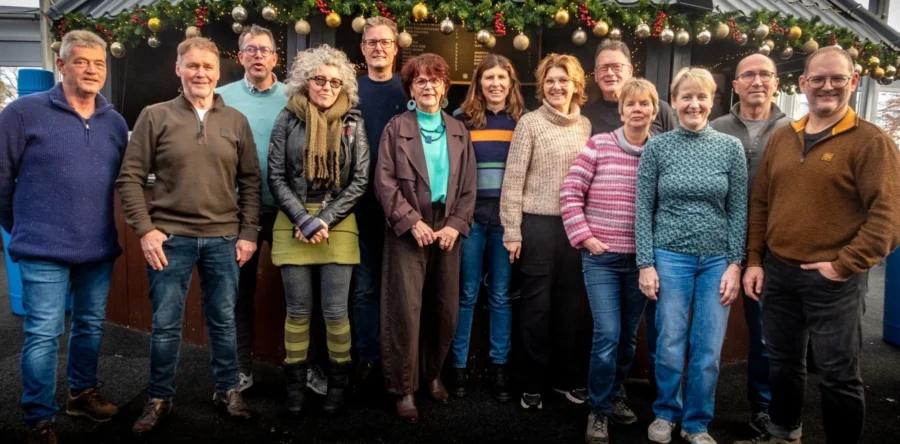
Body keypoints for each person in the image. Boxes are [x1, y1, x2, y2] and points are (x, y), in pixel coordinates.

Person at [736, 47, 900, 444]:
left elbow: (889, 216)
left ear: (854, 82)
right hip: (779, 273)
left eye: (837, 79)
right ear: (803, 84)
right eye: (818, 79)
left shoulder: (870, 142)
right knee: (784, 365)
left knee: (838, 375)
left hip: (835, 281)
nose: (827, 87)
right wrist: (756, 260)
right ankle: (783, 433)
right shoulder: (783, 138)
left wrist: (844, 265)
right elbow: (760, 203)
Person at [117, 37, 261, 434]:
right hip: (170, 239)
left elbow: (250, 181)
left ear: (218, 72)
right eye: (192, 66)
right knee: (165, 325)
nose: (200, 73)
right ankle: (160, 398)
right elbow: (129, 178)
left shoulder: (236, 121)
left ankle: (227, 390)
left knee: (224, 321)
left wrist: (248, 233)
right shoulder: (154, 115)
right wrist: (145, 231)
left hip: (224, 239)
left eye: (208, 67)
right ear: (178, 69)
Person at [0, 30, 127, 444]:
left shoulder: (115, 121)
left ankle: (81, 393)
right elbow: (1, 181)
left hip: (97, 247)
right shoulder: (22, 114)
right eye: (81, 62)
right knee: (43, 333)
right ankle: (38, 419)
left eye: (99, 64)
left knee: (89, 327)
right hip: (42, 247)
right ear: (62, 64)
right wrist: (21, 227)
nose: (91, 70)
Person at [635, 67, 747, 444]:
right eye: (686, 96)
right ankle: (666, 412)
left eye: (701, 96)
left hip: (717, 260)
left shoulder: (730, 148)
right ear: (674, 101)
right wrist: (646, 263)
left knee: (708, 348)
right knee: (669, 343)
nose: (694, 103)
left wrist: (735, 262)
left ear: (712, 100)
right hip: (670, 257)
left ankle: (697, 423)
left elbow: (739, 210)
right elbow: (643, 208)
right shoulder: (657, 147)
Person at [375, 53, 477, 423]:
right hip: (409, 228)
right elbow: (384, 182)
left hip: (447, 226)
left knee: (445, 308)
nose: (428, 85)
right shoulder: (396, 127)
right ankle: (405, 388)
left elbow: (468, 184)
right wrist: (410, 221)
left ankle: (432, 373)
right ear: (411, 89)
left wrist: (455, 224)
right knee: (405, 309)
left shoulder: (457, 129)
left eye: (435, 79)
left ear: (445, 87)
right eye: (420, 80)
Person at [268, 44, 368, 417]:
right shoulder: (286, 118)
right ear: (304, 81)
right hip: (292, 220)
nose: (326, 86)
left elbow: (359, 182)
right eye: (319, 79)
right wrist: (303, 219)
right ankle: (294, 389)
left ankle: (337, 388)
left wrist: (323, 220)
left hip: (337, 222)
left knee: (335, 311)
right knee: (297, 310)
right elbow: (275, 177)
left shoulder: (353, 123)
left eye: (333, 81)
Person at [561, 78, 658, 443]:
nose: (637, 109)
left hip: (642, 262)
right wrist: (584, 235)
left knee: (629, 338)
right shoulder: (598, 146)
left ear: (653, 109)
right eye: (630, 104)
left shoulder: (660, 151)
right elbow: (570, 192)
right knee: (607, 335)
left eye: (644, 104)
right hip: (601, 259)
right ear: (621, 110)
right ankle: (598, 410)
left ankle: (618, 393)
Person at [582, 39, 678, 387]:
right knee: (606, 332)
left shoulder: (663, 113)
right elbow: (575, 184)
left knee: (640, 330)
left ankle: (645, 394)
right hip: (601, 246)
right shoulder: (588, 118)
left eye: (617, 67)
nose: (610, 72)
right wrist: (585, 234)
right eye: (604, 67)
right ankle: (600, 400)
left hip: (648, 250)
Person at [500, 53, 592, 410]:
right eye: (550, 80)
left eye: (563, 80)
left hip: (575, 227)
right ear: (542, 86)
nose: (556, 86)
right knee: (536, 308)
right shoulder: (530, 123)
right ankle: (532, 382)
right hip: (536, 226)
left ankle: (566, 378)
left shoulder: (585, 126)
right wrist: (513, 230)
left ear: (576, 86)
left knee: (571, 307)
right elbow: (513, 180)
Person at [710, 53, 791, 435]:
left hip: (771, 246)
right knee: (706, 328)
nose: (757, 81)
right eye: (748, 75)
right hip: (717, 241)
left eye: (765, 75)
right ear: (736, 84)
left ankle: (762, 408)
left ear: (776, 82)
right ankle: (694, 405)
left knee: (764, 335)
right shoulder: (716, 127)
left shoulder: (794, 130)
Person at [215, 24, 289, 394]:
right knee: (236, 296)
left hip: (287, 210)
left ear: (275, 58)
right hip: (237, 212)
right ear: (240, 56)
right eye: (250, 49)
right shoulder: (218, 97)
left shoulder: (296, 97)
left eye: (264, 49)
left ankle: (302, 370)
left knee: (298, 294)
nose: (258, 55)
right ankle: (239, 369)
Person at [448, 54, 525, 402]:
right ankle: (458, 367)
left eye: (501, 77)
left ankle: (500, 367)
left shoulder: (522, 121)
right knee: (466, 294)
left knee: (500, 295)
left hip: (507, 219)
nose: (495, 83)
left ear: (511, 83)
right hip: (472, 217)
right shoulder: (462, 120)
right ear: (478, 83)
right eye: (488, 77)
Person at [353, 16, 408, 387]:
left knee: (404, 288)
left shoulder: (408, 92)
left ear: (395, 48)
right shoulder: (349, 93)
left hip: (403, 205)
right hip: (358, 205)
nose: (378, 48)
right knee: (365, 287)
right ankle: (369, 359)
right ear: (362, 49)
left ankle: (402, 363)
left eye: (384, 42)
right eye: (371, 42)